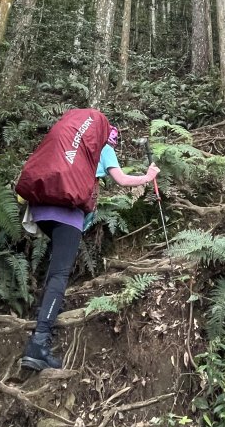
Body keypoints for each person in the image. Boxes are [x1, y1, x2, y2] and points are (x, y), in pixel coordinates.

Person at [21, 124, 160, 370]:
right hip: (68, 211)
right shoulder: (102, 147)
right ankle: (38, 344)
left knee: (57, 266)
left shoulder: (68, 146)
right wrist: (148, 177)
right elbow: (121, 179)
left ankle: (45, 316)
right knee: (59, 273)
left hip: (41, 208)